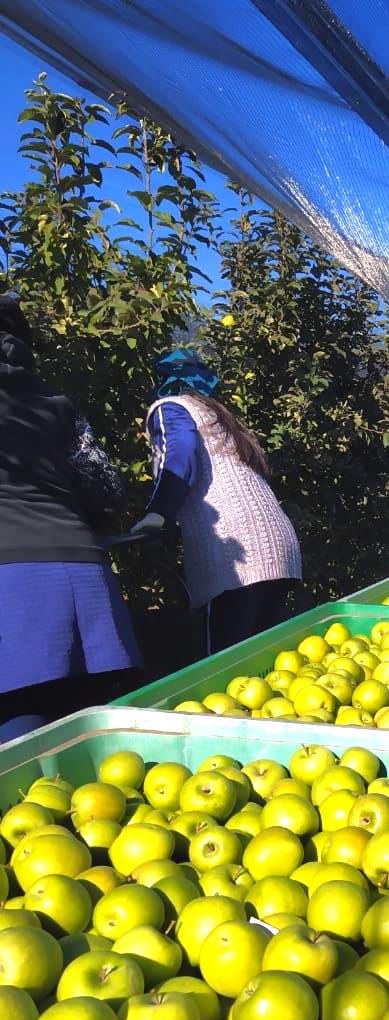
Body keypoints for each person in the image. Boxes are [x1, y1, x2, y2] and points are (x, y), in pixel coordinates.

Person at [0, 294, 141, 742]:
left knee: (20, 759)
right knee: (99, 751)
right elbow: (105, 486)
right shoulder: (57, 403)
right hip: (84, 579)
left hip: (11, 588)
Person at [132, 348, 301, 654]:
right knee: (269, 659)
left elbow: (178, 454)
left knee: (226, 665)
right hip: (279, 549)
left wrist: (158, 513)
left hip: (235, 554)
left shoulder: (170, 407)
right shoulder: (220, 417)